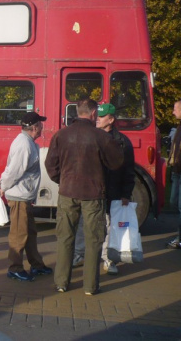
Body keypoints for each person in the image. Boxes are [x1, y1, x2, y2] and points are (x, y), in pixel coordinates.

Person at [45, 98, 123, 295]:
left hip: (67, 192)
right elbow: (116, 163)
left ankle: (62, 282)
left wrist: (62, 180)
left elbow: (50, 165)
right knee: (93, 240)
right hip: (93, 194)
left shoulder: (60, 135)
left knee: (65, 238)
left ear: (77, 112)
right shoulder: (101, 137)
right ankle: (90, 286)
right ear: (94, 114)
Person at [70, 103, 135, 275]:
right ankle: (79, 255)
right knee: (83, 223)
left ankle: (108, 259)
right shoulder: (90, 136)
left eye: (102, 115)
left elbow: (128, 170)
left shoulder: (122, 142)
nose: (97, 118)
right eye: (97, 115)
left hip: (111, 192)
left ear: (111, 119)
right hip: (90, 192)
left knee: (109, 226)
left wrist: (125, 194)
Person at [0, 112, 52, 282]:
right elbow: (14, 171)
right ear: (34, 127)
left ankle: (36, 264)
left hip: (24, 196)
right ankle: (15, 268)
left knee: (29, 232)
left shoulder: (27, 142)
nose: (42, 128)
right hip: (19, 196)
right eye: (40, 125)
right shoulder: (24, 145)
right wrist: (3, 186)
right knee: (19, 234)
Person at [166, 99, 181, 249]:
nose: (173, 111)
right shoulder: (178, 127)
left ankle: (179, 238)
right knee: (174, 202)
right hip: (177, 171)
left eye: (175, 108)